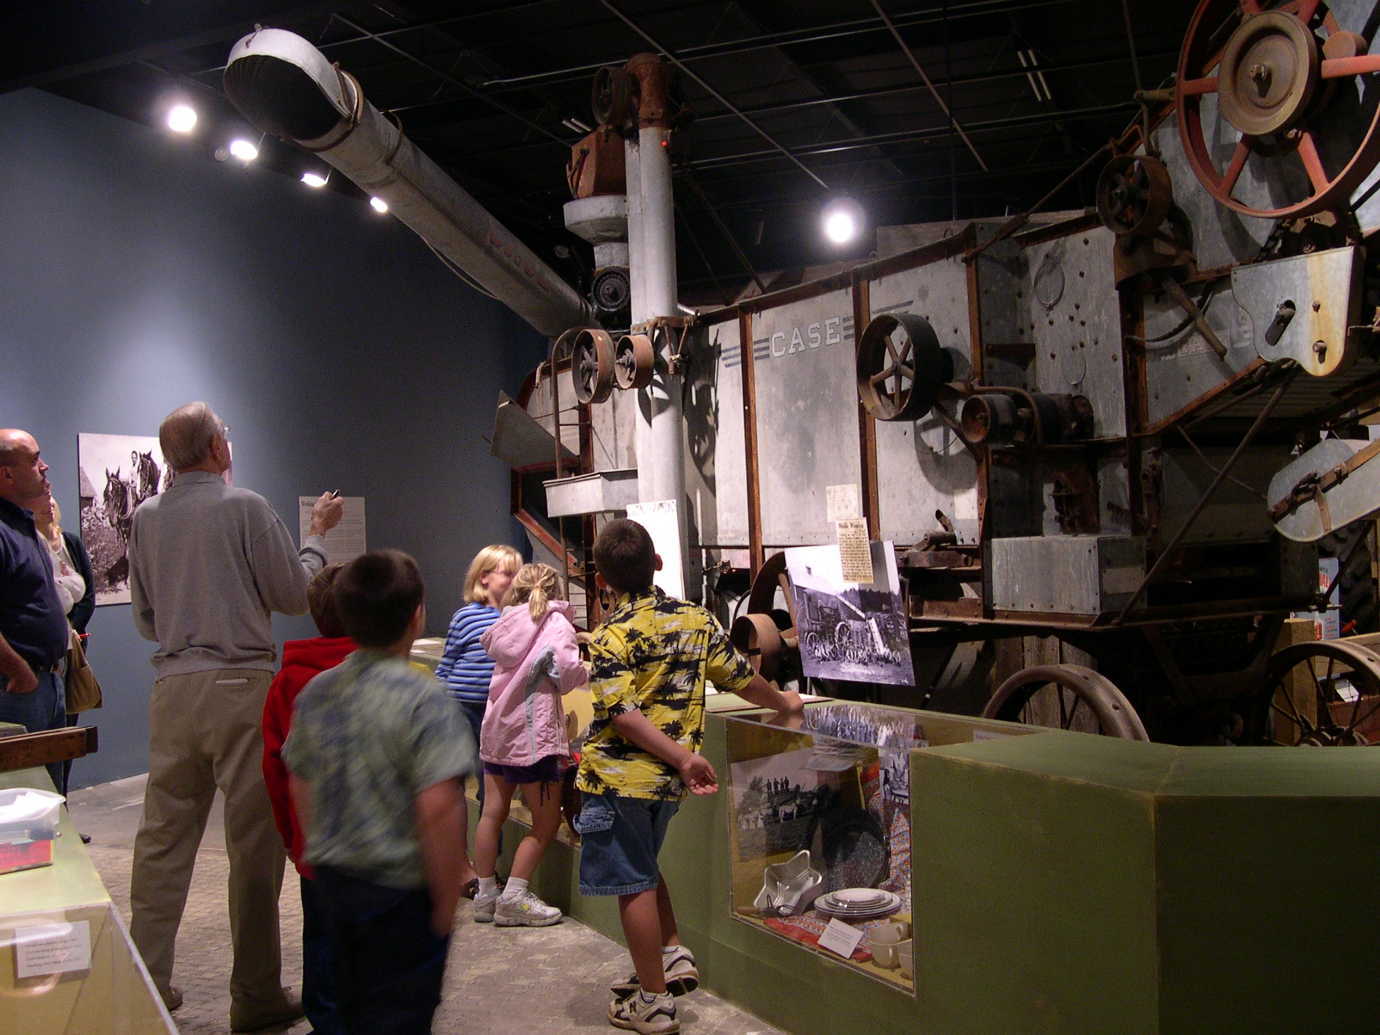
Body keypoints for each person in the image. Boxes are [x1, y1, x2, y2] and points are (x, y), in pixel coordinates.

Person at [126, 401, 343, 1031]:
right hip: (240, 684)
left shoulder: (144, 517)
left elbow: (145, 619)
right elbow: (293, 594)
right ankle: (254, 995)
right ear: (218, 449)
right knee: (254, 846)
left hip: (172, 687)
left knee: (161, 843)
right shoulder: (245, 506)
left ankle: (146, 983)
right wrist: (317, 538)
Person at [577, 518, 803, 1035]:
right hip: (664, 788)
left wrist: (682, 758)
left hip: (619, 782)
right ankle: (670, 955)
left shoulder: (611, 636)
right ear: (657, 563)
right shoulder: (695, 620)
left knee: (632, 884)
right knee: (645, 868)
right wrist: (784, 702)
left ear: (603, 582)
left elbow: (623, 716)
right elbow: (743, 678)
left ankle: (654, 1003)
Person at [283, 550, 473, 1034]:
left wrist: (320, 855)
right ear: (417, 616)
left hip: (334, 883)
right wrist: (446, 899)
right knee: (400, 1018)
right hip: (401, 894)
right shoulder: (425, 697)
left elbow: (300, 782)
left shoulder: (317, 692)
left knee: (349, 1009)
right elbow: (439, 808)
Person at [261, 563, 352, 1035]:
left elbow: (275, 767)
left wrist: (290, 835)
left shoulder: (286, 683)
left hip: (317, 848)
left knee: (322, 939)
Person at [472, 562, 588, 926]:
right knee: (546, 821)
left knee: (492, 812)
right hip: (533, 738)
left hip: (497, 732)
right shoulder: (555, 623)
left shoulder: (505, 622)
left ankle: (485, 892)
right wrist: (588, 669)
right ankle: (515, 896)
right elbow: (567, 674)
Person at [434, 543, 521, 876]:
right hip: (460, 708)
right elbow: (448, 662)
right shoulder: (466, 615)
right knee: (454, 785)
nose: (514, 580)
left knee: (492, 792)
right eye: (507, 574)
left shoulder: (516, 617)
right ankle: (458, 862)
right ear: (484, 578)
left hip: (496, 713)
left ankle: (489, 866)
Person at [0, 429, 69, 793]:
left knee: (48, 802)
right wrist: (19, 670)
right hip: (16, 689)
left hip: (46, 683)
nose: (45, 467)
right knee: (21, 802)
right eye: (34, 459)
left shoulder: (23, 526)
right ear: (7, 474)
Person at [32, 492, 95, 798]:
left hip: (71, 648)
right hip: (42, 656)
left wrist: (72, 629)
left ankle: (63, 807)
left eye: (51, 505)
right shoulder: (30, 543)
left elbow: (87, 595)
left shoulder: (69, 543)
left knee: (66, 732)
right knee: (39, 741)